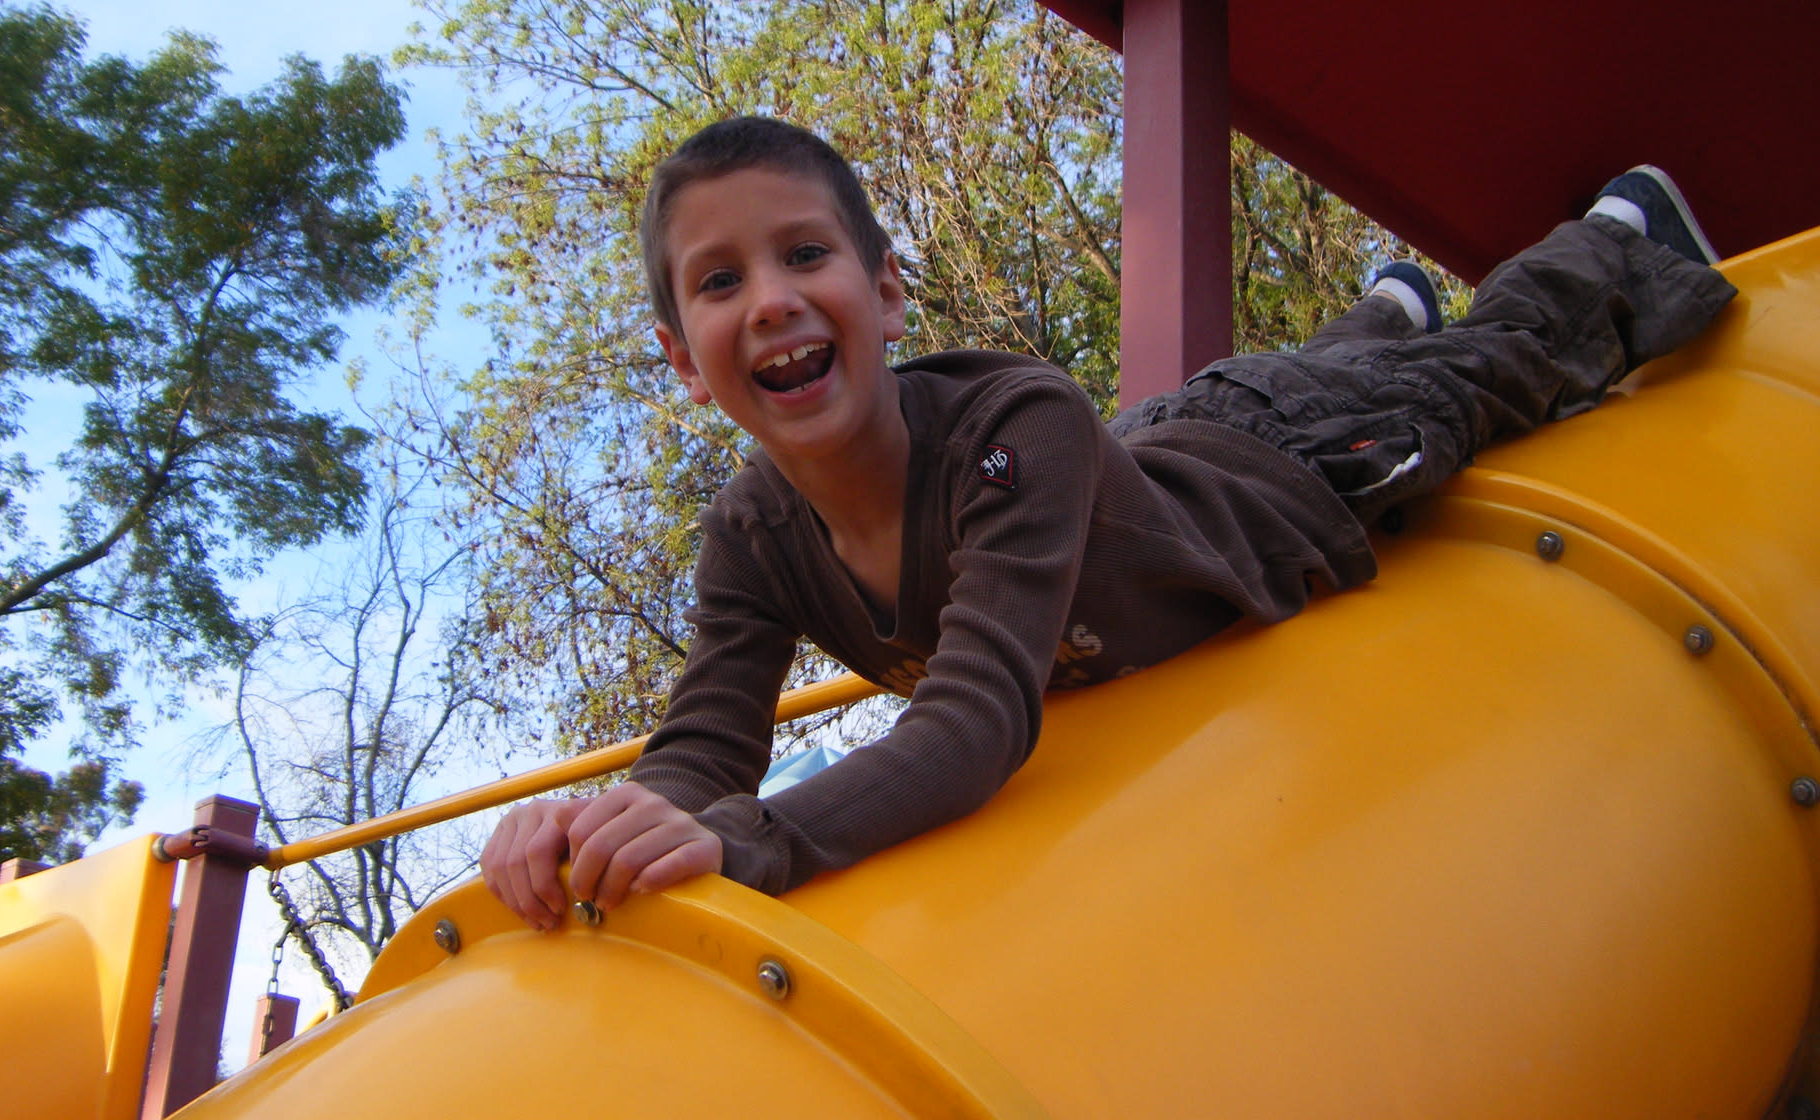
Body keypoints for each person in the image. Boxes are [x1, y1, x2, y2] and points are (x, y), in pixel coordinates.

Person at [479, 117, 1737, 929]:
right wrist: (605, 827)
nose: (770, 300)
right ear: (683, 360)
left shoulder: (1013, 423)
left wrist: (748, 842)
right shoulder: (752, 538)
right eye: (720, 281)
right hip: (1146, 451)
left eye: (805, 255)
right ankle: (1382, 312)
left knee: (1481, 376)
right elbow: (705, 745)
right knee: (1288, 379)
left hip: (1274, 470)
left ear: (888, 292)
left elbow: (974, 720)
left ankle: (1619, 230)